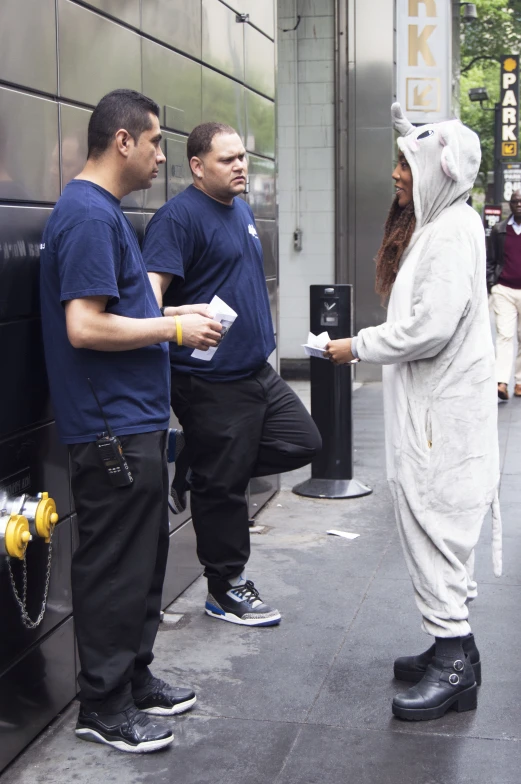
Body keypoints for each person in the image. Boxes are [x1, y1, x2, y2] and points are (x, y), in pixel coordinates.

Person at [40, 89, 223, 753]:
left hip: (130, 420)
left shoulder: (100, 211)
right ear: (122, 140)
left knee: (141, 562)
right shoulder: (88, 215)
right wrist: (173, 326)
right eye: (154, 143)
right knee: (116, 568)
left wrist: (171, 321)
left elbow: (117, 310)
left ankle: (133, 679)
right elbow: (84, 325)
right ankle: (104, 705)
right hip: (110, 426)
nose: (160, 158)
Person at [325, 104, 501, 722]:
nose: (397, 174)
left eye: (407, 163)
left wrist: (357, 347)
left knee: (437, 525)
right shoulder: (447, 223)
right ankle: (454, 646)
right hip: (437, 411)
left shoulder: (451, 230)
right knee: (433, 522)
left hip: (440, 418)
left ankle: (454, 664)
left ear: (440, 171)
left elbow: (426, 328)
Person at [142, 122, 322, 628]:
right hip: (210, 381)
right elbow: (150, 302)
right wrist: (180, 327)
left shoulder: (239, 208)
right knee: (224, 488)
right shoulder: (176, 220)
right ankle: (224, 588)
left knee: (304, 442)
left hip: (254, 372)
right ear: (198, 167)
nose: (240, 165)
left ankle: (200, 464)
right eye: (227, 159)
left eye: (242, 156)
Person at [486, 189, 521, 401]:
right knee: (505, 335)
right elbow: (490, 260)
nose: (519, 204)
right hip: (504, 290)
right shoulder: (500, 230)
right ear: (510, 204)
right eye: (515, 201)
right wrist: (492, 284)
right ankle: (501, 382)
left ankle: (520, 382)